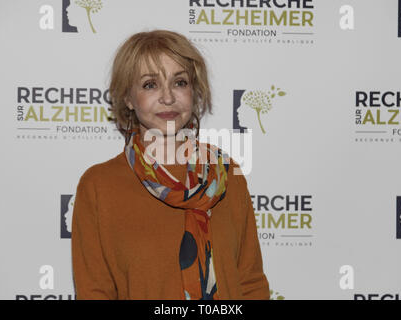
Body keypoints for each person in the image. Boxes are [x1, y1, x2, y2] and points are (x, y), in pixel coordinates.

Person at [71, 29, 270, 300]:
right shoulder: (99, 186)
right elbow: (95, 292)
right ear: (128, 98)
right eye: (150, 85)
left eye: (179, 82)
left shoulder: (225, 174)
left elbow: (250, 282)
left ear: (195, 92)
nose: (168, 97)